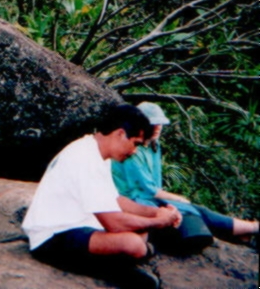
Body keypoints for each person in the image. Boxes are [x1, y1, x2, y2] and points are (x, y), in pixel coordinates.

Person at [22, 104, 182, 288]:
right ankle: (113, 269)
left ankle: (114, 263)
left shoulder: (97, 152)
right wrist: (158, 222)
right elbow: (113, 223)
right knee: (133, 244)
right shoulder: (84, 158)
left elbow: (117, 201)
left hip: (81, 227)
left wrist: (157, 212)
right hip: (52, 238)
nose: (135, 151)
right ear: (120, 134)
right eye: (136, 143)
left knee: (140, 234)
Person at [112, 102, 259, 251]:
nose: (157, 128)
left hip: (149, 198)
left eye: (160, 123)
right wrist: (178, 199)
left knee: (194, 210)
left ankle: (246, 232)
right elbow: (147, 190)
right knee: (191, 211)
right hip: (134, 200)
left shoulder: (153, 146)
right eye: (153, 123)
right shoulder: (133, 150)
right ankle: (252, 228)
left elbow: (155, 184)